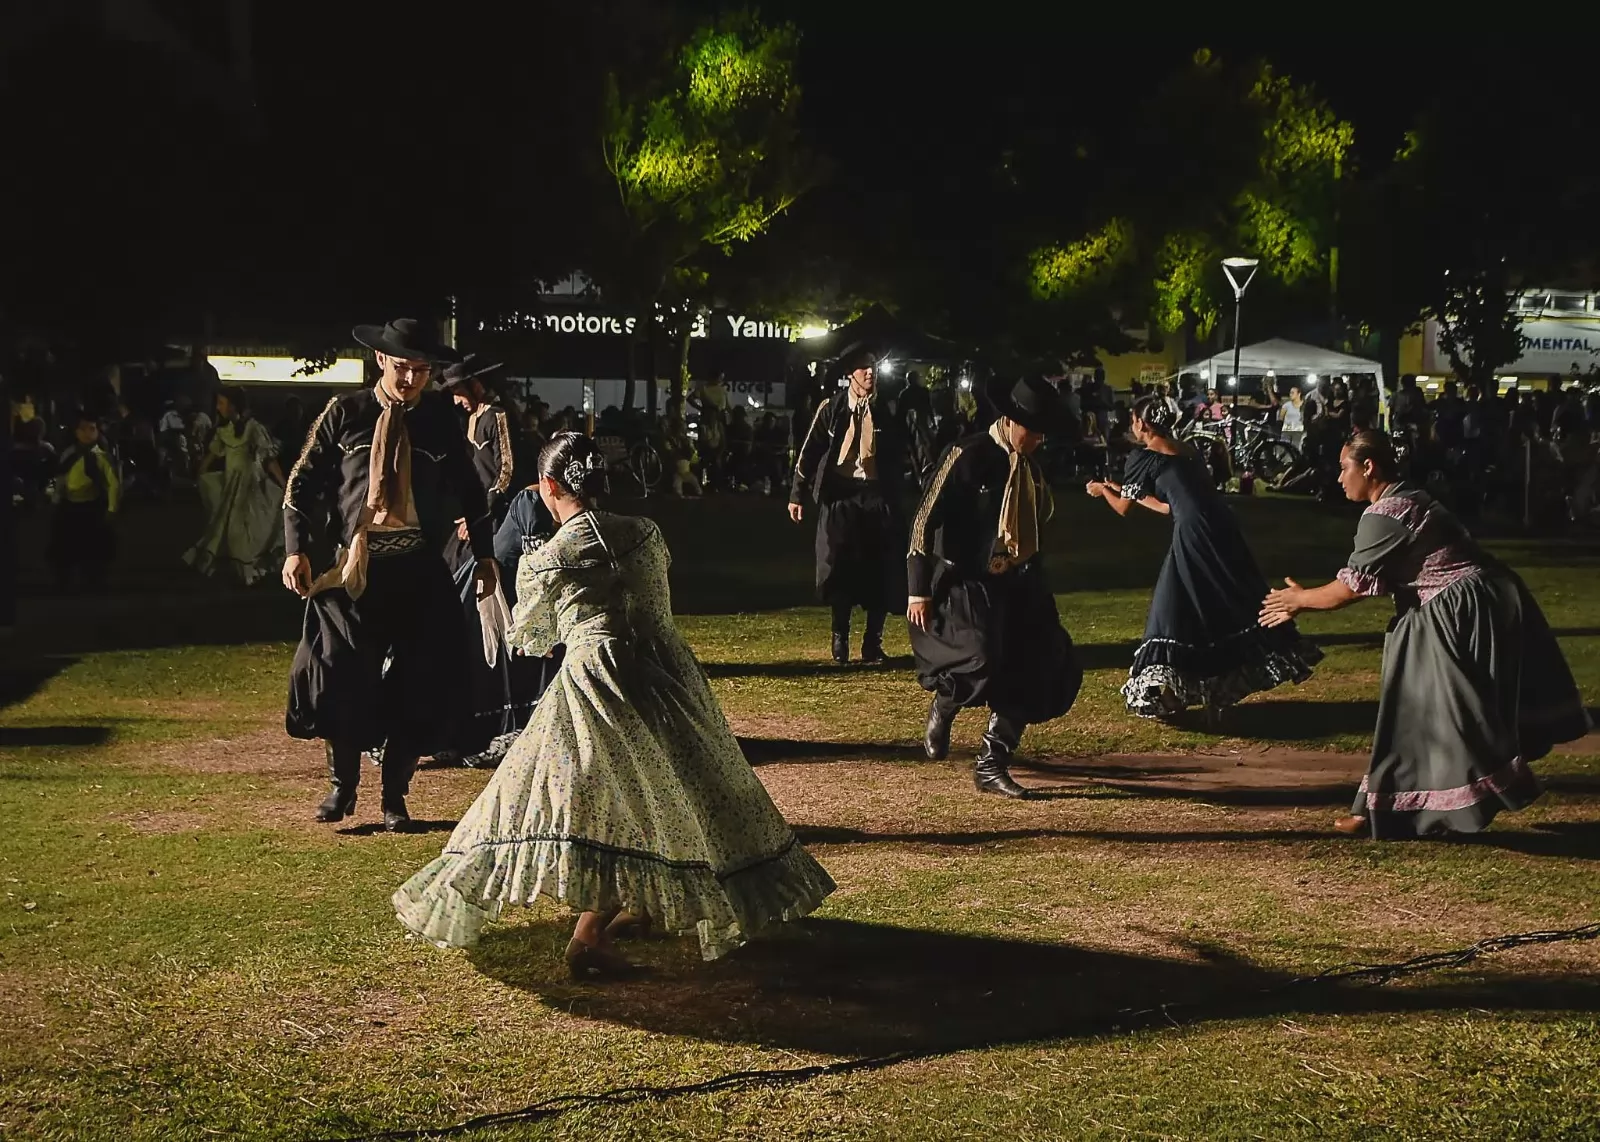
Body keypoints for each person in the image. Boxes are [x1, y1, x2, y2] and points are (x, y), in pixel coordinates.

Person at [394, 432, 835, 976]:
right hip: (667, 674)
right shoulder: (646, 533)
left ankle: (589, 935)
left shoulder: (550, 557)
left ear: (550, 487)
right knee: (684, 784)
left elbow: (531, 635)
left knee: (590, 797)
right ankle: (631, 906)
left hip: (598, 681)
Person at [1260, 430, 1591, 839]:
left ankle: (1442, 804)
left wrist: (1297, 599)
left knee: (1447, 714)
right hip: (1450, 607)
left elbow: (1349, 591)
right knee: (1412, 711)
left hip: (1459, 612)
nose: (1338, 477)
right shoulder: (1406, 498)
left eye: (1344, 468)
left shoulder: (1387, 514)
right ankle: (1382, 807)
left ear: (1369, 467)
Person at [281, 318, 495, 833]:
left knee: (422, 679)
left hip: (419, 566)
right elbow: (301, 481)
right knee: (334, 671)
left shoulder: (441, 419)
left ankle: (395, 795)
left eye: (422, 371)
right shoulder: (346, 413)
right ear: (382, 361)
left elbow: (471, 489)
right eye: (403, 369)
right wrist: (296, 550)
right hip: (357, 567)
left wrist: (485, 556)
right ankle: (342, 784)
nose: (412, 380)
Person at [1087, 396, 1321, 723]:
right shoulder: (1187, 450)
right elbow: (1168, 505)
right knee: (1217, 597)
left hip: (1194, 532)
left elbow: (1124, 508)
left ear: (1142, 423)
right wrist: (1118, 486)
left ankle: (1181, 689)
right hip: (1221, 525)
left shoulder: (1142, 457)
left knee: (1174, 604)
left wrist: (1102, 491)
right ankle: (1216, 692)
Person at [907, 373, 1083, 799]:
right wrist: (918, 587)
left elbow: (1033, 530)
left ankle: (992, 761)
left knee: (1042, 659)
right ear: (1009, 421)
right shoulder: (967, 454)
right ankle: (946, 703)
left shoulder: (1032, 471)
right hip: (967, 577)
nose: (1039, 439)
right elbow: (923, 520)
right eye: (1033, 430)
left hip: (1018, 577)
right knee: (981, 654)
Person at [430, 354, 532, 768]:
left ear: (473, 387)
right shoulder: (464, 421)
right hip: (470, 515)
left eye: (457, 392)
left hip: (495, 517)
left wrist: (482, 513)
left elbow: (504, 471)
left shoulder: (496, 416)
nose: (455, 401)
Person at [789, 346, 911, 665]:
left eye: (872, 367)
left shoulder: (888, 409)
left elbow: (910, 445)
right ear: (850, 375)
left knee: (880, 569)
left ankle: (873, 642)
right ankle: (840, 637)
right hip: (841, 494)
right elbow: (810, 451)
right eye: (863, 368)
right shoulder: (832, 408)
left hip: (877, 494)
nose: (870, 373)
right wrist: (796, 494)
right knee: (838, 566)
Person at [184, 387, 285, 584]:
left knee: (252, 527)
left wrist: (283, 483)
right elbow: (212, 455)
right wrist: (200, 475)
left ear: (233, 405)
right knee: (230, 528)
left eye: (221, 403)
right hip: (232, 486)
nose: (218, 407)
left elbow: (268, 459)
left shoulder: (253, 428)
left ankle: (250, 569)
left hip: (253, 485)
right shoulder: (224, 431)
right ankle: (242, 570)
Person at [48, 410, 120, 590]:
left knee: (96, 544)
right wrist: (56, 500)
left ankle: (95, 577)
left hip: (94, 506)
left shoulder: (102, 456)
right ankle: (65, 579)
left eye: (92, 429)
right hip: (71, 506)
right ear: (75, 432)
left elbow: (112, 482)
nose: (87, 433)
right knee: (67, 543)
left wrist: (112, 506)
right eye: (83, 429)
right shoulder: (70, 454)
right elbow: (61, 479)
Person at [1277, 385, 1306, 453]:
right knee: (1284, 448)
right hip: (1287, 430)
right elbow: (1281, 418)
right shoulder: (1286, 405)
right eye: (1290, 393)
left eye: (1293, 393)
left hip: (1298, 430)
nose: (1290, 394)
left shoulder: (1304, 405)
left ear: (1299, 394)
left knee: (1296, 448)